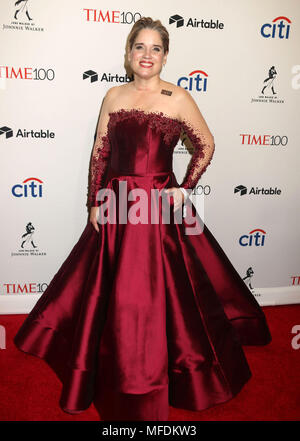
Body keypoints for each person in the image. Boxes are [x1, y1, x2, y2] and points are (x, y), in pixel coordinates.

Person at [14, 17, 272, 421]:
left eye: (155, 48)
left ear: (165, 56)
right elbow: (100, 152)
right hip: (117, 205)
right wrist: (94, 201)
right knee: (107, 287)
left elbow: (206, 143)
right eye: (140, 47)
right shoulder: (113, 96)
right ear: (128, 52)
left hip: (156, 207)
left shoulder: (178, 98)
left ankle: (169, 368)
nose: (147, 55)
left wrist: (184, 187)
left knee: (163, 290)